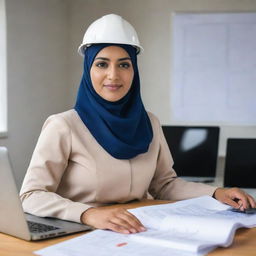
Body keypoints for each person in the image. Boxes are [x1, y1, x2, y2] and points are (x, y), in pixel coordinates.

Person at [20, 14, 256, 235]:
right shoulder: (64, 125)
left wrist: (216, 192)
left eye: (123, 64)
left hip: (139, 229)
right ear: (88, 69)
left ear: (134, 70)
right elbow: (31, 195)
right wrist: (88, 214)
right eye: (102, 64)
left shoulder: (149, 122)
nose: (113, 75)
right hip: (83, 231)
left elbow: (164, 185)